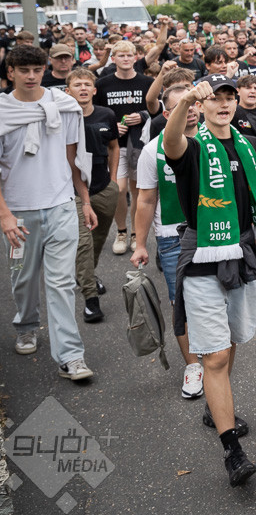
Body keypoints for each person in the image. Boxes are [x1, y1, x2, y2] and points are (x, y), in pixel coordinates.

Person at [162, 74, 256, 486]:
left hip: (244, 253)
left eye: (230, 98)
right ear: (202, 106)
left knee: (231, 341)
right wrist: (185, 100)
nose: (224, 104)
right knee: (216, 356)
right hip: (202, 255)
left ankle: (215, 404)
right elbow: (171, 142)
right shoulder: (192, 146)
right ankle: (232, 450)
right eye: (216, 98)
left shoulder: (251, 145)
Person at [0, 44, 95, 381]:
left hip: (60, 206)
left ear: (45, 70)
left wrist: (84, 200)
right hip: (19, 213)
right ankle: (26, 326)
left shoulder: (63, 106)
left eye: (36, 70)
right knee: (23, 278)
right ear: (10, 72)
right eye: (23, 70)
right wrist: (5, 216)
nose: (31, 76)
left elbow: (73, 157)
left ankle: (71, 356)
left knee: (62, 283)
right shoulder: (3, 112)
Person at [131, 84, 203, 399]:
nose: (191, 111)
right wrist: (140, 244)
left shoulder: (216, 139)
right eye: (182, 106)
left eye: (194, 104)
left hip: (216, 232)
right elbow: (146, 200)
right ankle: (193, 365)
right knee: (181, 304)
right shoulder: (153, 150)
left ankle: (215, 355)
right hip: (174, 237)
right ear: (166, 113)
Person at [66, 68, 120, 324]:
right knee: (84, 244)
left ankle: (87, 274)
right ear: (68, 91)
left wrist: (114, 180)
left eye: (87, 84)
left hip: (104, 188)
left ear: (94, 90)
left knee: (97, 240)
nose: (83, 89)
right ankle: (90, 298)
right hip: (74, 192)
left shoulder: (106, 114)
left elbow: (114, 146)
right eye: (78, 85)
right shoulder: (63, 118)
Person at [95, 39, 155, 257]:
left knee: (138, 191)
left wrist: (142, 116)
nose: (126, 59)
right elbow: (96, 113)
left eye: (129, 55)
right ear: (113, 59)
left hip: (140, 144)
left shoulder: (147, 82)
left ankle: (136, 235)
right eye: (121, 55)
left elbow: (158, 110)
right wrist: (111, 126)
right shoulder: (103, 84)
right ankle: (121, 231)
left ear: (136, 57)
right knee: (119, 190)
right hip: (115, 145)